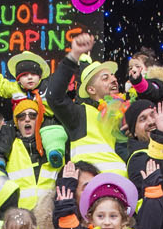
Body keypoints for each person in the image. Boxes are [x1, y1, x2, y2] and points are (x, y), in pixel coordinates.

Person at [45, 32, 129, 176]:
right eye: (105, 78)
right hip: (90, 184)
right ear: (91, 90)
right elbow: (54, 97)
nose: (114, 80)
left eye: (113, 76)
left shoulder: (124, 113)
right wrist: (73, 56)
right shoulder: (80, 114)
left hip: (122, 183)